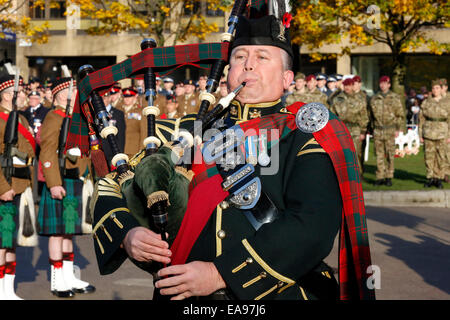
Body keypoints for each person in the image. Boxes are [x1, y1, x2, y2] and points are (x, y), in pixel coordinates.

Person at [90, 13, 374, 301]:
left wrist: (220, 274)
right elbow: (113, 183)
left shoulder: (304, 136)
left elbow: (312, 225)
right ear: (227, 73)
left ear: (287, 78)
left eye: (262, 57)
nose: (248, 63)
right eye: (239, 56)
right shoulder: (188, 130)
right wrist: (128, 235)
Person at [38, 77, 95, 298]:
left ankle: (69, 276)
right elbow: (47, 152)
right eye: (71, 91)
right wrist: (53, 183)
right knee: (57, 233)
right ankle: (57, 280)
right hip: (60, 180)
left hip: (75, 180)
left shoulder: (74, 118)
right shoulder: (54, 117)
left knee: (68, 233)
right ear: (61, 94)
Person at [0, 75, 37, 300]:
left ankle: (8, 291)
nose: (24, 95)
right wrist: (3, 187)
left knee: (11, 242)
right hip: (6, 187)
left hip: (21, 184)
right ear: (6, 95)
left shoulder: (21, 119)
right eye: (20, 92)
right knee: (1, 244)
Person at [369, 76, 405, 186]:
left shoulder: (394, 98)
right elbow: (370, 115)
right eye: (381, 83)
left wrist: (398, 128)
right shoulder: (375, 98)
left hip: (390, 129)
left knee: (390, 154)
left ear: (389, 85)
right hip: (378, 130)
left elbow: (400, 114)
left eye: (385, 83)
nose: (382, 85)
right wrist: (371, 128)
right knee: (379, 154)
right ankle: (380, 176)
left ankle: (389, 176)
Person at [330, 78, 369, 173]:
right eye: (345, 85)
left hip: (356, 129)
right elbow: (333, 115)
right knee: (343, 153)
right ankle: (345, 175)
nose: (347, 87)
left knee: (356, 154)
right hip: (342, 129)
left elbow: (364, 116)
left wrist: (363, 131)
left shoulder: (359, 99)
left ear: (353, 86)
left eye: (349, 85)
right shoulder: (338, 99)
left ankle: (357, 175)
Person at [419, 79, 449, 189]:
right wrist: (420, 135)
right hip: (428, 132)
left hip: (442, 132)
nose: (435, 90)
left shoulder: (447, 103)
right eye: (433, 88)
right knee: (429, 157)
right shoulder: (426, 102)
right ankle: (430, 177)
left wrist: (449, 135)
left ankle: (438, 178)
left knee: (441, 157)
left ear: (441, 89)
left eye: (437, 88)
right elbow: (421, 119)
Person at [117, 87, 144, 158]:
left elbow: (144, 132)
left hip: (133, 150)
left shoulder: (140, 111)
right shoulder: (118, 110)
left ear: (135, 96)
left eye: (130, 96)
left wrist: (141, 151)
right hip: (118, 149)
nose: (127, 99)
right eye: (125, 96)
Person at [101, 91, 126, 167]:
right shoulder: (95, 114)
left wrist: (119, 154)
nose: (103, 100)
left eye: (105, 98)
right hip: (100, 152)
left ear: (109, 98)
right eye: (101, 98)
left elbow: (121, 136)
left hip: (113, 151)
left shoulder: (118, 114)